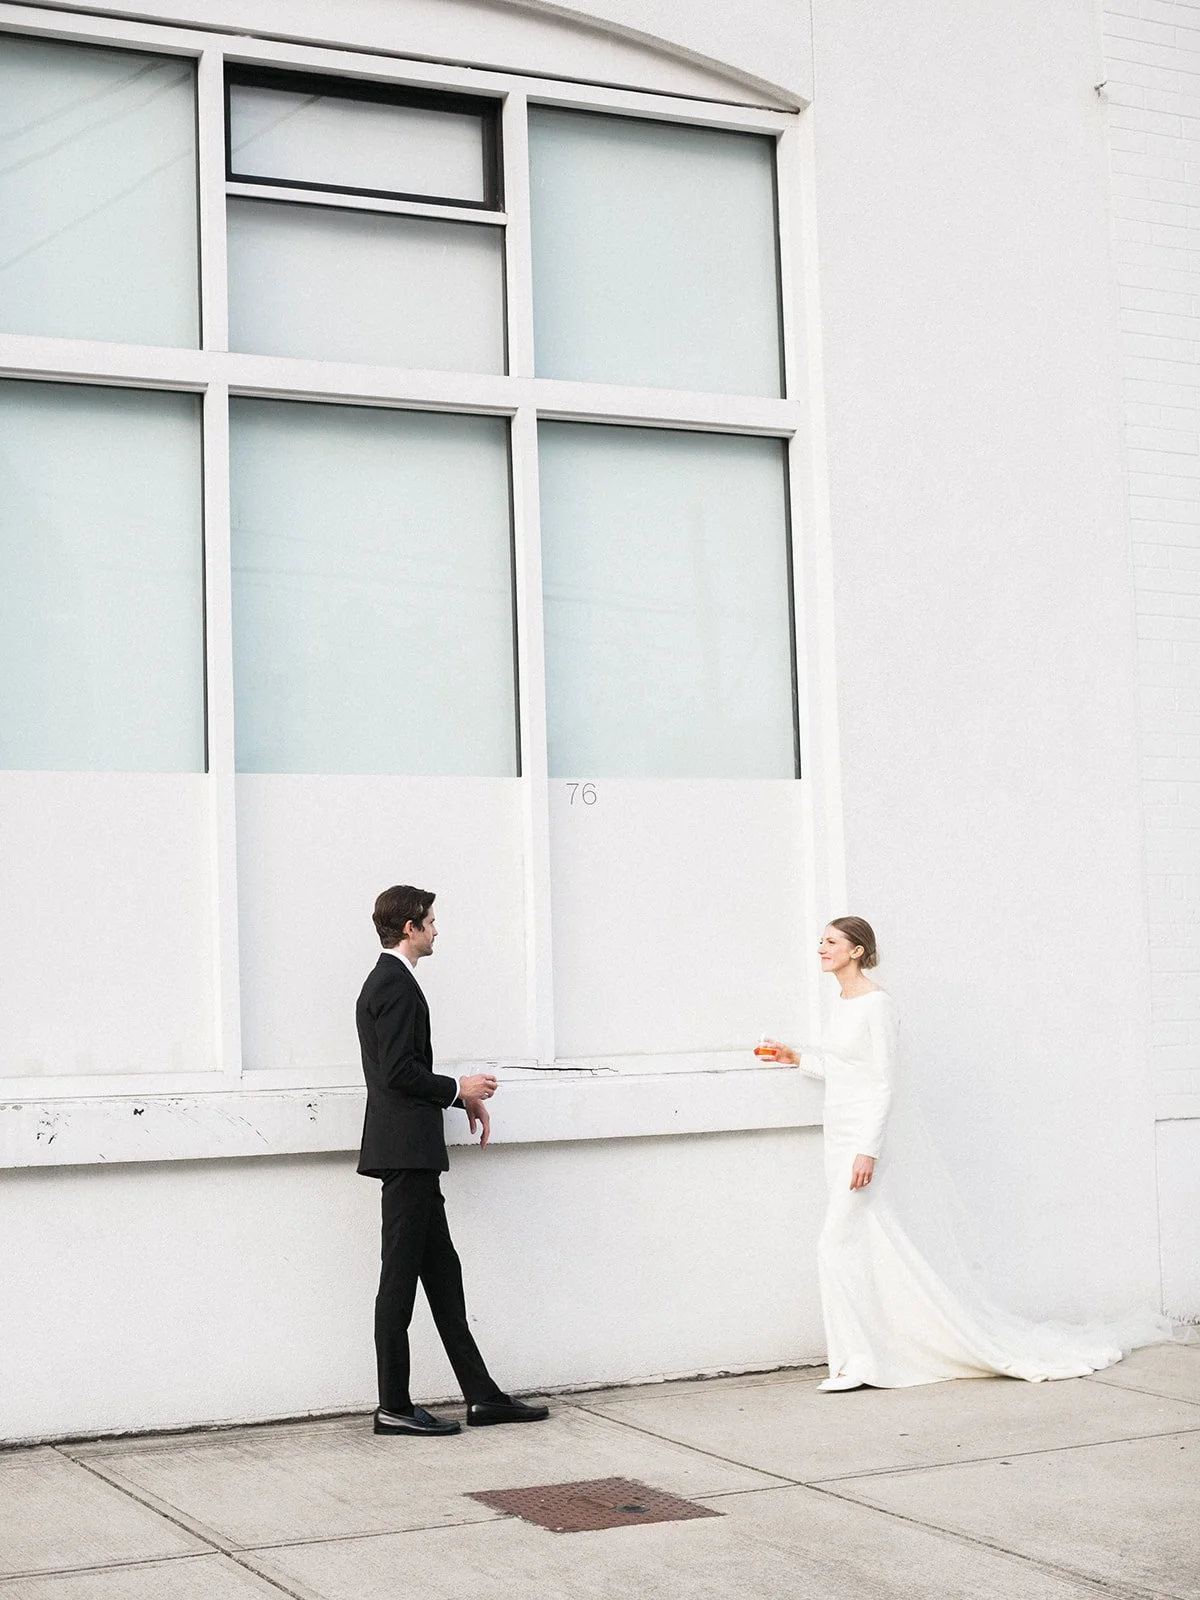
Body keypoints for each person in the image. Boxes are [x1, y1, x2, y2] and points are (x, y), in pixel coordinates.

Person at [762, 916, 1126, 1391]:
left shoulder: (878, 1005)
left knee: (834, 1243)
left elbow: (886, 1082)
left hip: (864, 1142)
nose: (821, 948)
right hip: (840, 1137)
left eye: (831, 942)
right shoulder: (843, 1004)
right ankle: (864, 1356)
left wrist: (867, 1150)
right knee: (865, 1244)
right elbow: (846, 1069)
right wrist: (796, 1058)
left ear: (856, 951)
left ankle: (861, 1362)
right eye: (821, 941)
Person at [357, 884, 549, 1436]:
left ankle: (482, 1397)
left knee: (443, 1274)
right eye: (432, 921)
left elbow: (401, 1074)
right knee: (399, 1281)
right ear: (410, 927)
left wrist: (460, 1096)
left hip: (412, 1154)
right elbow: (398, 1073)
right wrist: (457, 1086)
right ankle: (393, 1405)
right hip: (406, 1156)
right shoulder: (393, 985)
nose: (438, 930)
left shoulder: (393, 981)